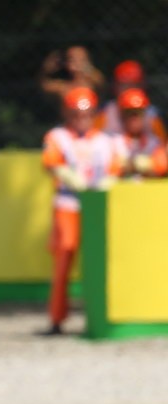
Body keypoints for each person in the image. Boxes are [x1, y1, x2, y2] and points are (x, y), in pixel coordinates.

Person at [40, 87, 123, 335]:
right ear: (67, 113)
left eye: (86, 113)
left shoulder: (106, 141)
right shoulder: (57, 136)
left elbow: (115, 168)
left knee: (100, 261)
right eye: (76, 113)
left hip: (97, 205)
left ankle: (99, 315)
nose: (81, 118)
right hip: (69, 204)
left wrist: (107, 182)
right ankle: (57, 318)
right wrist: (66, 175)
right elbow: (51, 162)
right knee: (64, 255)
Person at [95, 60, 166, 143]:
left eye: (134, 85)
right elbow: (91, 142)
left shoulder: (151, 115)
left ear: (142, 86)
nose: (129, 90)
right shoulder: (106, 112)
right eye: (124, 85)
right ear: (115, 86)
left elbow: (163, 146)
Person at [114, 89, 167, 180]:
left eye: (138, 113)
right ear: (122, 116)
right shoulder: (114, 142)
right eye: (130, 113)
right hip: (121, 192)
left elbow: (162, 166)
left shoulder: (154, 142)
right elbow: (110, 168)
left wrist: (147, 165)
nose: (134, 118)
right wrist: (126, 165)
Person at [38, 45, 104, 105]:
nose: (77, 63)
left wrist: (87, 69)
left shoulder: (94, 84)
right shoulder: (63, 87)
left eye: (81, 59)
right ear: (67, 63)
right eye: (73, 59)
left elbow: (102, 83)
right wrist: (45, 70)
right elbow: (43, 85)